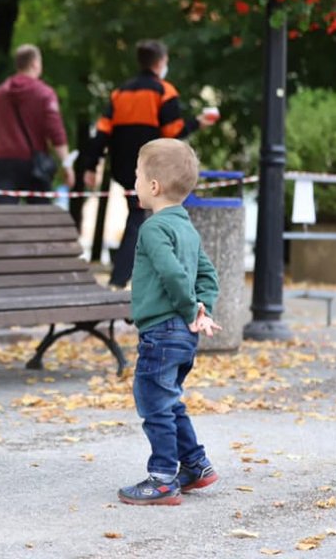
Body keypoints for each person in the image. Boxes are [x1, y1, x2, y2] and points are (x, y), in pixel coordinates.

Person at [117, 138, 221, 506]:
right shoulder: (187, 228)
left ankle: (162, 478)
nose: (135, 183)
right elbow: (208, 275)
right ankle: (195, 465)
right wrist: (203, 308)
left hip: (161, 331)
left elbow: (172, 273)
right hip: (182, 336)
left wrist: (190, 308)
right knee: (170, 401)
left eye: (137, 177)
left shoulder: (153, 228)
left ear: (154, 186)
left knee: (153, 403)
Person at [81, 39, 214, 288]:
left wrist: (91, 164)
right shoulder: (164, 92)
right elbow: (173, 131)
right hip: (153, 166)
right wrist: (197, 123)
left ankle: (134, 277)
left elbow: (102, 132)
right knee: (140, 220)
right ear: (161, 62)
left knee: (140, 217)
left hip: (124, 167)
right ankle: (120, 279)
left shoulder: (120, 94)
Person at [0, 44, 75, 203]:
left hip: (5, 162)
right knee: (40, 213)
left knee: (4, 212)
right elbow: (56, 132)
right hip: (34, 164)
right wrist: (67, 164)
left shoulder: (0, 93)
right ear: (35, 63)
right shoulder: (44, 93)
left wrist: (1, 148)